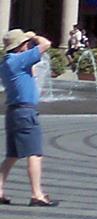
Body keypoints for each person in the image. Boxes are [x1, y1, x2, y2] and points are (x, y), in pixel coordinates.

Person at [0, 29, 55, 207]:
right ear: (20, 46)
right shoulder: (19, 59)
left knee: (13, 155)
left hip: (13, 112)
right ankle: (36, 194)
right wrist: (34, 37)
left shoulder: (6, 63)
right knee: (34, 153)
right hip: (25, 112)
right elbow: (46, 44)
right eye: (24, 43)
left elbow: (29, 75)